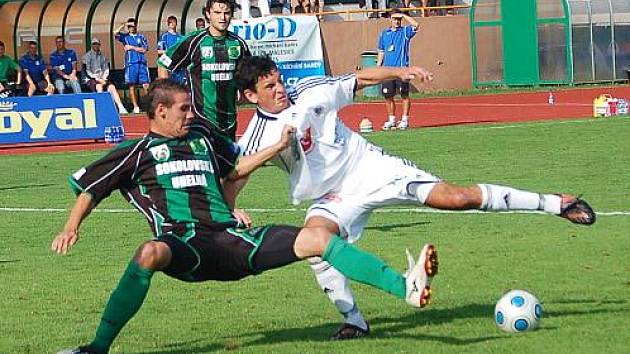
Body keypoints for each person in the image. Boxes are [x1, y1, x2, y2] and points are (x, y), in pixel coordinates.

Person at [52, 79, 438, 354]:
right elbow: (91, 188)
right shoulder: (136, 152)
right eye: (184, 109)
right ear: (160, 111)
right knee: (149, 253)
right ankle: (95, 349)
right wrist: (71, 227)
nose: (191, 114)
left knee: (317, 239)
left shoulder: (202, 139)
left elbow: (235, 168)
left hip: (232, 239)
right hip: (186, 246)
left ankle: (405, 287)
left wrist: (276, 147)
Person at [235, 55, 596, 340]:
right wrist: (233, 206)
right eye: (270, 86)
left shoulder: (310, 91)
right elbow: (239, 173)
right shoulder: (256, 135)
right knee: (316, 244)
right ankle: (355, 322)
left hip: (371, 167)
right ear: (251, 96)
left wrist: (402, 70)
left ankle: (556, 204)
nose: (281, 88)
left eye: (279, 80)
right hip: (332, 197)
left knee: (455, 197)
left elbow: (359, 78)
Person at [158, 0, 250, 142]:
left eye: (227, 13)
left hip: (229, 120)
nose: (222, 17)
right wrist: (166, 96)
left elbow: (247, 75)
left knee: (228, 163)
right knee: (204, 162)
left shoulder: (238, 43)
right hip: (200, 118)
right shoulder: (195, 41)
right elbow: (164, 63)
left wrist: (244, 93)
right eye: (218, 13)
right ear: (208, 14)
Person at [377, 8, 419, 131]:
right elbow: (381, 51)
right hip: (388, 71)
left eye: (399, 19)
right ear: (390, 20)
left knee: (404, 94)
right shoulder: (384, 34)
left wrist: (404, 15)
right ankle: (392, 120)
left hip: (402, 70)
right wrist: (379, 66)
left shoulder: (405, 32)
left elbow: (416, 25)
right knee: (388, 96)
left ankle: (405, 119)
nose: (397, 21)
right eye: (394, 19)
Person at [81, 38, 128, 114]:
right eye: (94, 44)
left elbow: (106, 69)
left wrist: (104, 78)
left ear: (100, 45)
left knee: (112, 87)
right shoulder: (87, 56)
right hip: (91, 79)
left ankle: (121, 107)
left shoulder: (103, 57)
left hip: (102, 78)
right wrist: (97, 79)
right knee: (99, 86)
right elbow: (87, 72)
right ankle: (101, 109)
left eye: (97, 44)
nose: (96, 45)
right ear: (91, 45)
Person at [115, 17, 149, 114]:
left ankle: (148, 106)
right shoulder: (125, 37)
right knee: (132, 85)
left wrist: (132, 47)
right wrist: (123, 25)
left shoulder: (141, 37)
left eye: (132, 26)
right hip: (131, 64)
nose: (131, 28)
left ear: (136, 25)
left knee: (146, 85)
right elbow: (115, 33)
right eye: (129, 26)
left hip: (142, 63)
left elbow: (144, 49)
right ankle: (136, 107)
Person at [157, 16, 186, 84]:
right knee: (168, 84)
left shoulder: (181, 37)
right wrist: (170, 53)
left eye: (173, 22)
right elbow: (159, 51)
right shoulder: (164, 36)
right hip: (168, 62)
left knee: (179, 84)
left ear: (176, 23)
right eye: (170, 22)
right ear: (168, 24)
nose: (171, 24)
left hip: (178, 63)